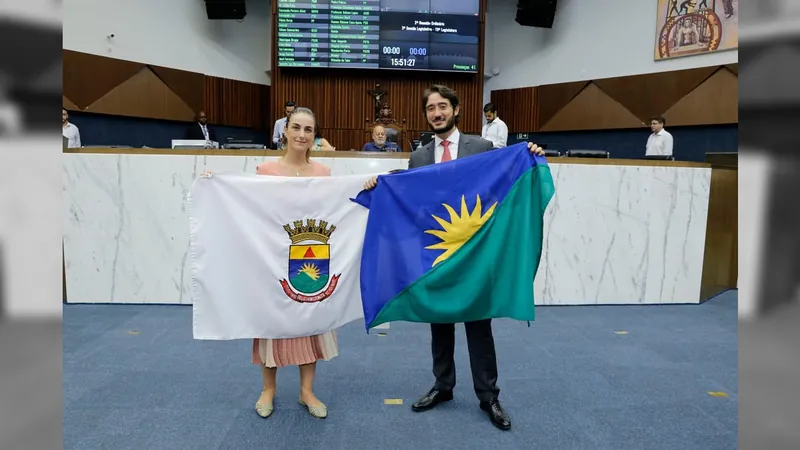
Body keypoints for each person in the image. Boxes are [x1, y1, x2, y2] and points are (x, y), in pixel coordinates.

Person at [363, 84, 544, 430]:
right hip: (439, 256)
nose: (436, 113)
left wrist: (530, 153)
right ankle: (443, 386)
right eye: (430, 109)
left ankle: (488, 396)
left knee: (479, 326)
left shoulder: (482, 147)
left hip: (475, 256)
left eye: (442, 106)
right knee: (439, 324)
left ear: (456, 109)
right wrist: (382, 186)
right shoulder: (419, 155)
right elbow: (412, 198)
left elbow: (504, 181)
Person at [252, 107, 336, 420]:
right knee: (272, 322)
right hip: (274, 259)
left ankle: (307, 390)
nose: (302, 135)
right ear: (285, 130)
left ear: (315, 135)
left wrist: (365, 187)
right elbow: (250, 210)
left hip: (309, 260)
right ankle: (268, 389)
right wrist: (214, 184)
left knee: (309, 320)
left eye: (308, 130)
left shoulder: (324, 174)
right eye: (296, 128)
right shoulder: (265, 170)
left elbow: (335, 210)